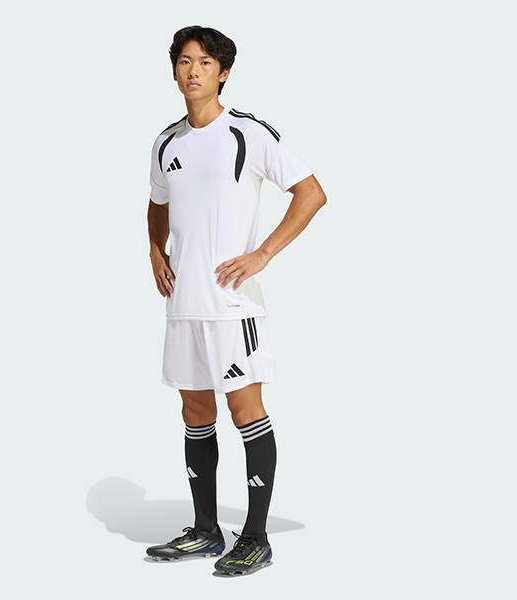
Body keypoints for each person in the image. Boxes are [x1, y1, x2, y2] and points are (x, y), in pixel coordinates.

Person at [145, 25, 327, 576]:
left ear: (223, 73)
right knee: (195, 413)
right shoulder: (166, 142)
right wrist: (155, 251)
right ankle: (205, 530)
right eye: (184, 61)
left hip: (231, 306)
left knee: (245, 412)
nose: (193, 71)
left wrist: (263, 253)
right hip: (183, 304)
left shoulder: (247, 133)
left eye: (204, 62)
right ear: (174, 70)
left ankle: (255, 538)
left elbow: (311, 193)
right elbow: (157, 202)